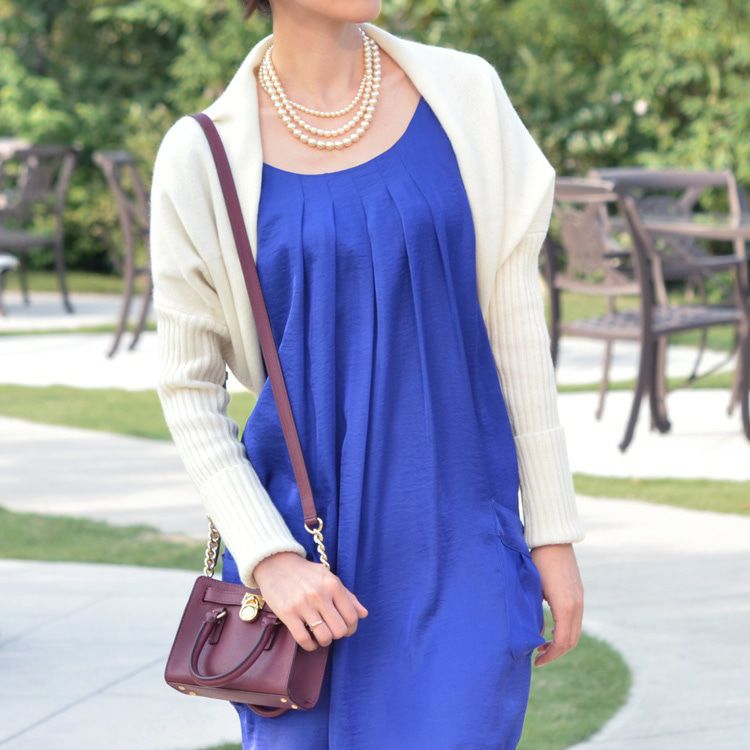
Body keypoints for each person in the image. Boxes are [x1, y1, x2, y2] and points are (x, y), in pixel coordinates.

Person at [149, 1, 586, 747]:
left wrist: (552, 533)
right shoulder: (203, 154)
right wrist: (271, 558)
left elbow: (516, 329)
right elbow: (189, 389)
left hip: (462, 543)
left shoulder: (466, 98)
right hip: (308, 578)